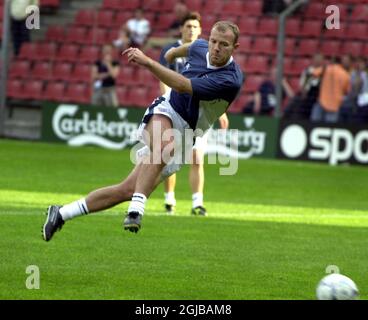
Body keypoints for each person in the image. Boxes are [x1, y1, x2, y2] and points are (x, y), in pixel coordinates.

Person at [42, 21, 243, 241]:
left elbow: (184, 86)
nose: (215, 48)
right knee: (164, 146)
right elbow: (190, 48)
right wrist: (173, 53)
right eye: (213, 41)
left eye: (224, 44)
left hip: (188, 134)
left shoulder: (230, 80)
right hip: (168, 109)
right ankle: (136, 211)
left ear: (235, 47)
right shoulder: (201, 47)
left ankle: (61, 213)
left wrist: (147, 61)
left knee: (126, 189)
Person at [159, 12, 229, 216]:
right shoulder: (171, 50)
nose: (191, 29)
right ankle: (169, 199)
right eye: (188, 26)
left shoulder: (207, 52)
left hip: (200, 113)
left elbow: (217, 85)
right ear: (181, 28)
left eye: (195, 27)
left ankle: (197, 202)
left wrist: (221, 112)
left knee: (197, 157)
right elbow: (162, 78)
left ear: (200, 30)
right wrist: (167, 102)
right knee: (168, 156)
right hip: (174, 109)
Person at [283, 53, 325, 120]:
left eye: (319, 59)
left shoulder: (325, 72)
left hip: (318, 98)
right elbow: (302, 86)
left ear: (322, 61)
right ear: (313, 60)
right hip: (307, 97)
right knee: (295, 102)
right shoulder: (308, 71)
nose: (317, 61)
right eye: (316, 59)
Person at [310, 55, 351, 123]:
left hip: (322, 102)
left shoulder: (326, 69)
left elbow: (314, 73)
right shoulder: (345, 75)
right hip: (335, 105)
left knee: (314, 125)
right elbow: (347, 91)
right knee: (330, 128)